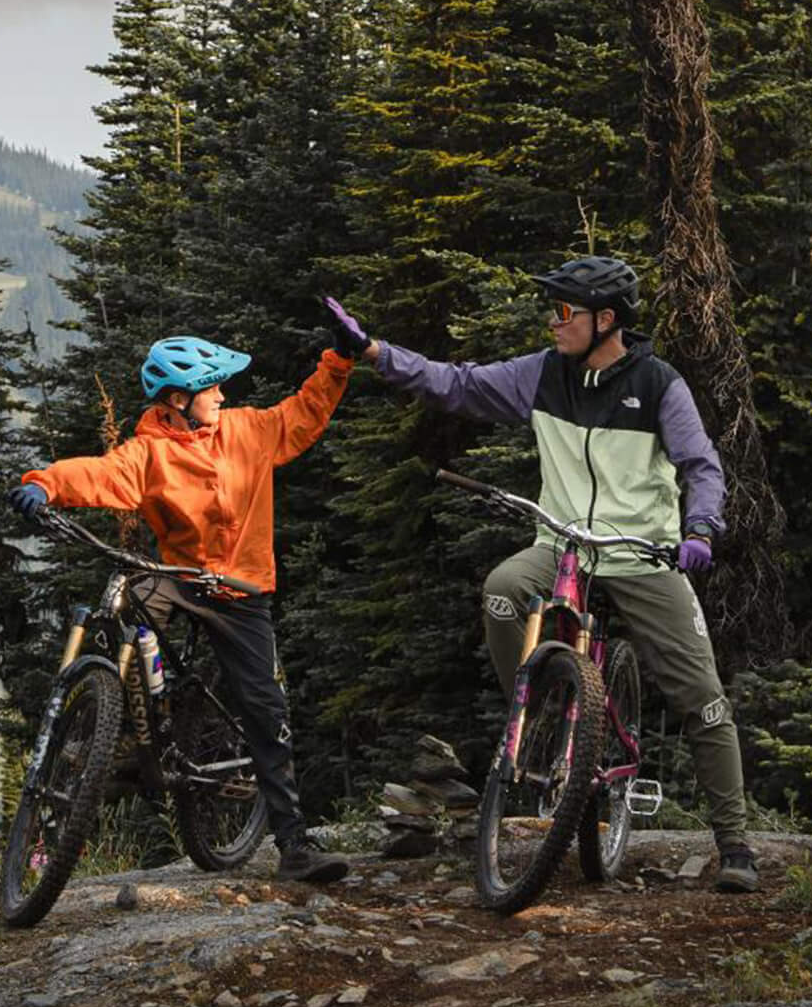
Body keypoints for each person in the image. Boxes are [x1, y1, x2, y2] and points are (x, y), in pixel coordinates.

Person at [324, 258, 759, 892]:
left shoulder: (661, 385)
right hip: (561, 548)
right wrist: (373, 351)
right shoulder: (542, 373)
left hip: (639, 554)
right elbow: (458, 384)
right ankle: (539, 715)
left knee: (704, 698)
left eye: (564, 313)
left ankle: (736, 843)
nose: (553, 323)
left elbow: (702, 465)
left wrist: (700, 529)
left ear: (605, 320)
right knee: (502, 592)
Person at [10, 332, 354, 884]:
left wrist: (338, 362)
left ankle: (293, 842)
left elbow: (305, 413)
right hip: (180, 578)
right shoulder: (149, 452)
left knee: (265, 710)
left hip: (241, 590)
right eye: (209, 387)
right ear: (178, 399)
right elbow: (100, 474)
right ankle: (128, 722)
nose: (220, 395)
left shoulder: (248, 430)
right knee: (132, 601)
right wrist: (44, 486)